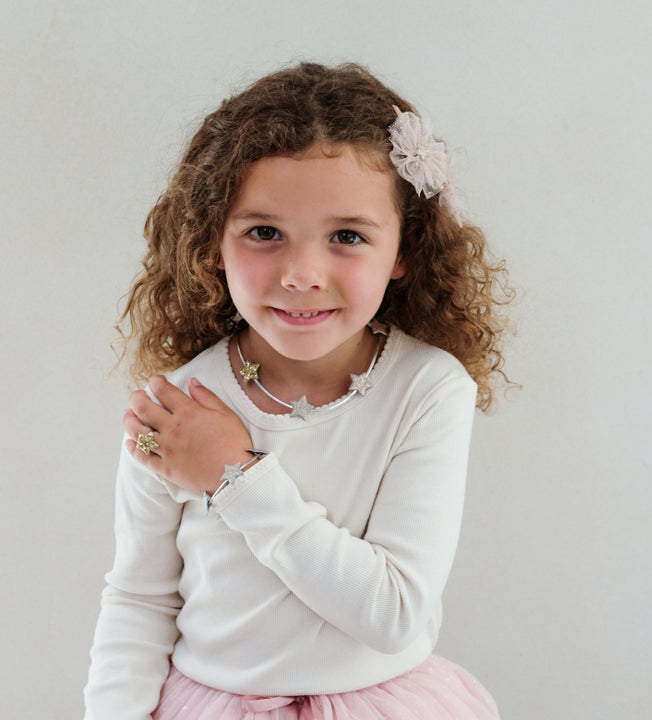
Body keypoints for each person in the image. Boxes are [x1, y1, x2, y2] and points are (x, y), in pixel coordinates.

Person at [84, 61, 510, 719]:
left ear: (404, 249)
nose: (302, 274)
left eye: (347, 236)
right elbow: (140, 599)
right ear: (212, 242)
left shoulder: (426, 389)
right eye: (264, 233)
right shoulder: (177, 406)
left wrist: (234, 476)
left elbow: (394, 614)